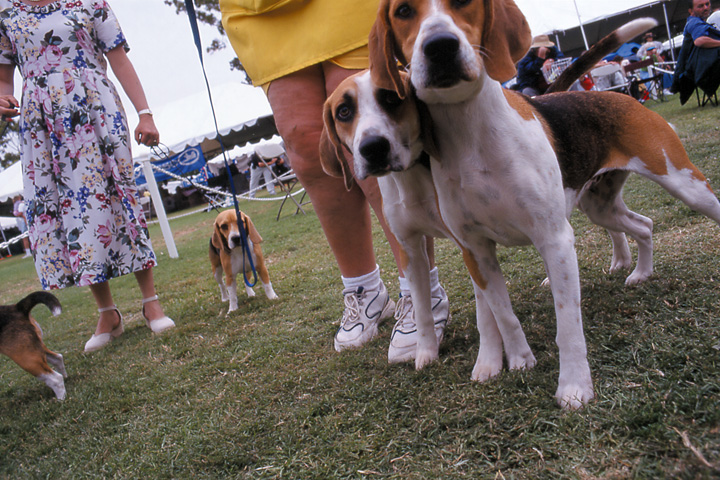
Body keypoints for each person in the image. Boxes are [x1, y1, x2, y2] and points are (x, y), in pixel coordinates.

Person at [221, 0, 449, 360]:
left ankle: (420, 290)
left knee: (371, 114)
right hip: (261, 11)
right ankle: (364, 291)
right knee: (306, 141)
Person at [0, 0, 175, 353]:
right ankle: (107, 313)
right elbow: (4, 78)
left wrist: (145, 113)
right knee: (72, 212)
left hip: (97, 108)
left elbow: (119, 59)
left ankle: (151, 301)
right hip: (42, 123)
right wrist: (3, 98)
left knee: (119, 197)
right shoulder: (4, 11)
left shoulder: (89, 1)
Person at [671, 0, 720, 103]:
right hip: (694, 72)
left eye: (707, 4)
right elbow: (699, 41)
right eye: (700, 6)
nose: (706, 8)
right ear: (691, 11)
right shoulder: (694, 22)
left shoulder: (696, 22)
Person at [12, 194, 31, 258]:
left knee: (24, 237)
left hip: (24, 221)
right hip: (27, 220)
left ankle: (28, 251)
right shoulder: (23, 203)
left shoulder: (20, 205)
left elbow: (21, 213)